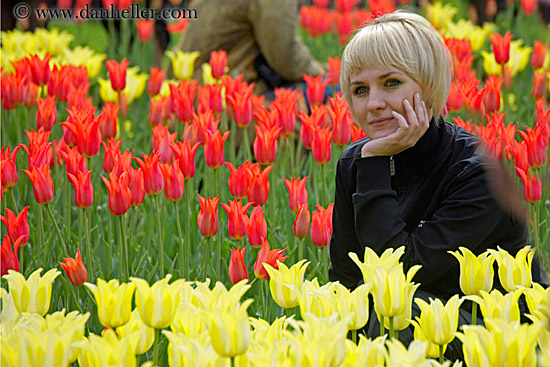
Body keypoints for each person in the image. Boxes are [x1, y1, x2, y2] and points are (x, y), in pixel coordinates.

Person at [329, 10, 549, 356]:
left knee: (401, 310)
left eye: (391, 83)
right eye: (359, 89)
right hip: (413, 330)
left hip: (501, 338)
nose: (373, 104)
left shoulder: (477, 172)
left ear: (429, 85)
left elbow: (397, 275)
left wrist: (373, 165)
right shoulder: (358, 162)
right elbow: (345, 279)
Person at [171, 0, 325, 94]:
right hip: (228, 103)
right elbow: (286, 59)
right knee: (336, 94)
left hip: (185, 94)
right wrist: (322, 72)